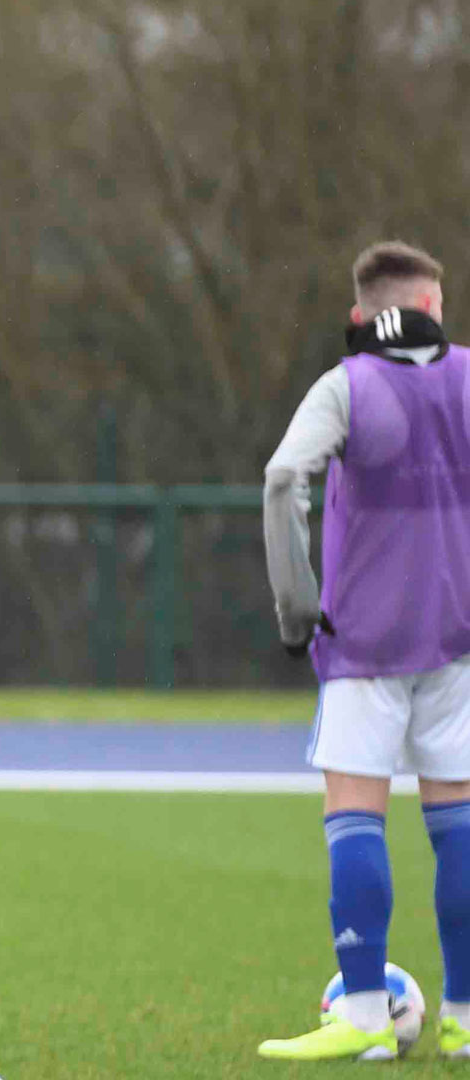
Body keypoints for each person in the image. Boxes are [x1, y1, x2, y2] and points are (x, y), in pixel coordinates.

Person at [257, 242, 470, 1062]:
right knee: (456, 826)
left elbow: (284, 478)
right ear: (435, 306)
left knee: (356, 815)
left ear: (360, 316)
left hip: (364, 640)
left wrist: (294, 608)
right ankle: (460, 1016)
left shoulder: (346, 384)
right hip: (456, 639)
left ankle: (367, 1013)